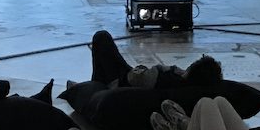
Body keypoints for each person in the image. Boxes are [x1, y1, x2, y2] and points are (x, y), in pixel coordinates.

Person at [84, 29, 223, 90]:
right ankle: (95, 83)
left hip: (122, 80)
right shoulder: (182, 81)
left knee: (101, 37)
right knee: (104, 47)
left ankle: (97, 85)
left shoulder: (172, 80)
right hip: (128, 75)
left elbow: (139, 78)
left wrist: (167, 69)